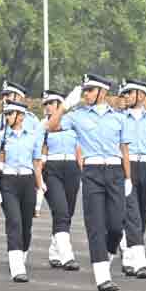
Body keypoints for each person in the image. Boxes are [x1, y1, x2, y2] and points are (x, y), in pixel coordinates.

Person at [43, 74, 130, 291]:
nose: (86, 95)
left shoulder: (119, 118)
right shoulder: (77, 116)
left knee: (116, 225)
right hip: (91, 172)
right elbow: (51, 127)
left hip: (115, 171)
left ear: (102, 92)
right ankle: (102, 277)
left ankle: (107, 258)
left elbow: (125, 150)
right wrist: (64, 107)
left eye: (90, 90)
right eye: (85, 91)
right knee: (96, 224)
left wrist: (128, 178)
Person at [0, 102, 46, 282]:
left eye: (10, 114)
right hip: (9, 181)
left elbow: (36, 163)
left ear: (21, 116)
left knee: (26, 226)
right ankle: (17, 267)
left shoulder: (33, 137)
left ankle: (22, 254)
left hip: (28, 182)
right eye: (5, 114)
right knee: (14, 222)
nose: (7, 117)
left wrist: (40, 186)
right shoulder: (0, 137)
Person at [118, 78, 146, 279]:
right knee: (132, 213)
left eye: (129, 93)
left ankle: (129, 252)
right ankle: (138, 262)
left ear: (141, 95)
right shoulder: (119, 119)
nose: (125, 97)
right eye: (125, 93)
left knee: (143, 213)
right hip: (126, 166)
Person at [40, 88, 82, 271]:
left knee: (68, 212)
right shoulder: (43, 125)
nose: (48, 107)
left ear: (59, 104)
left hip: (72, 168)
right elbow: (40, 152)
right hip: (51, 169)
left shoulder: (72, 122)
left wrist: (83, 172)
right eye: (45, 104)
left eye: (51, 103)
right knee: (61, 210)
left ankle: (54, 250)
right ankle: (66, 255)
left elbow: (79, 149)